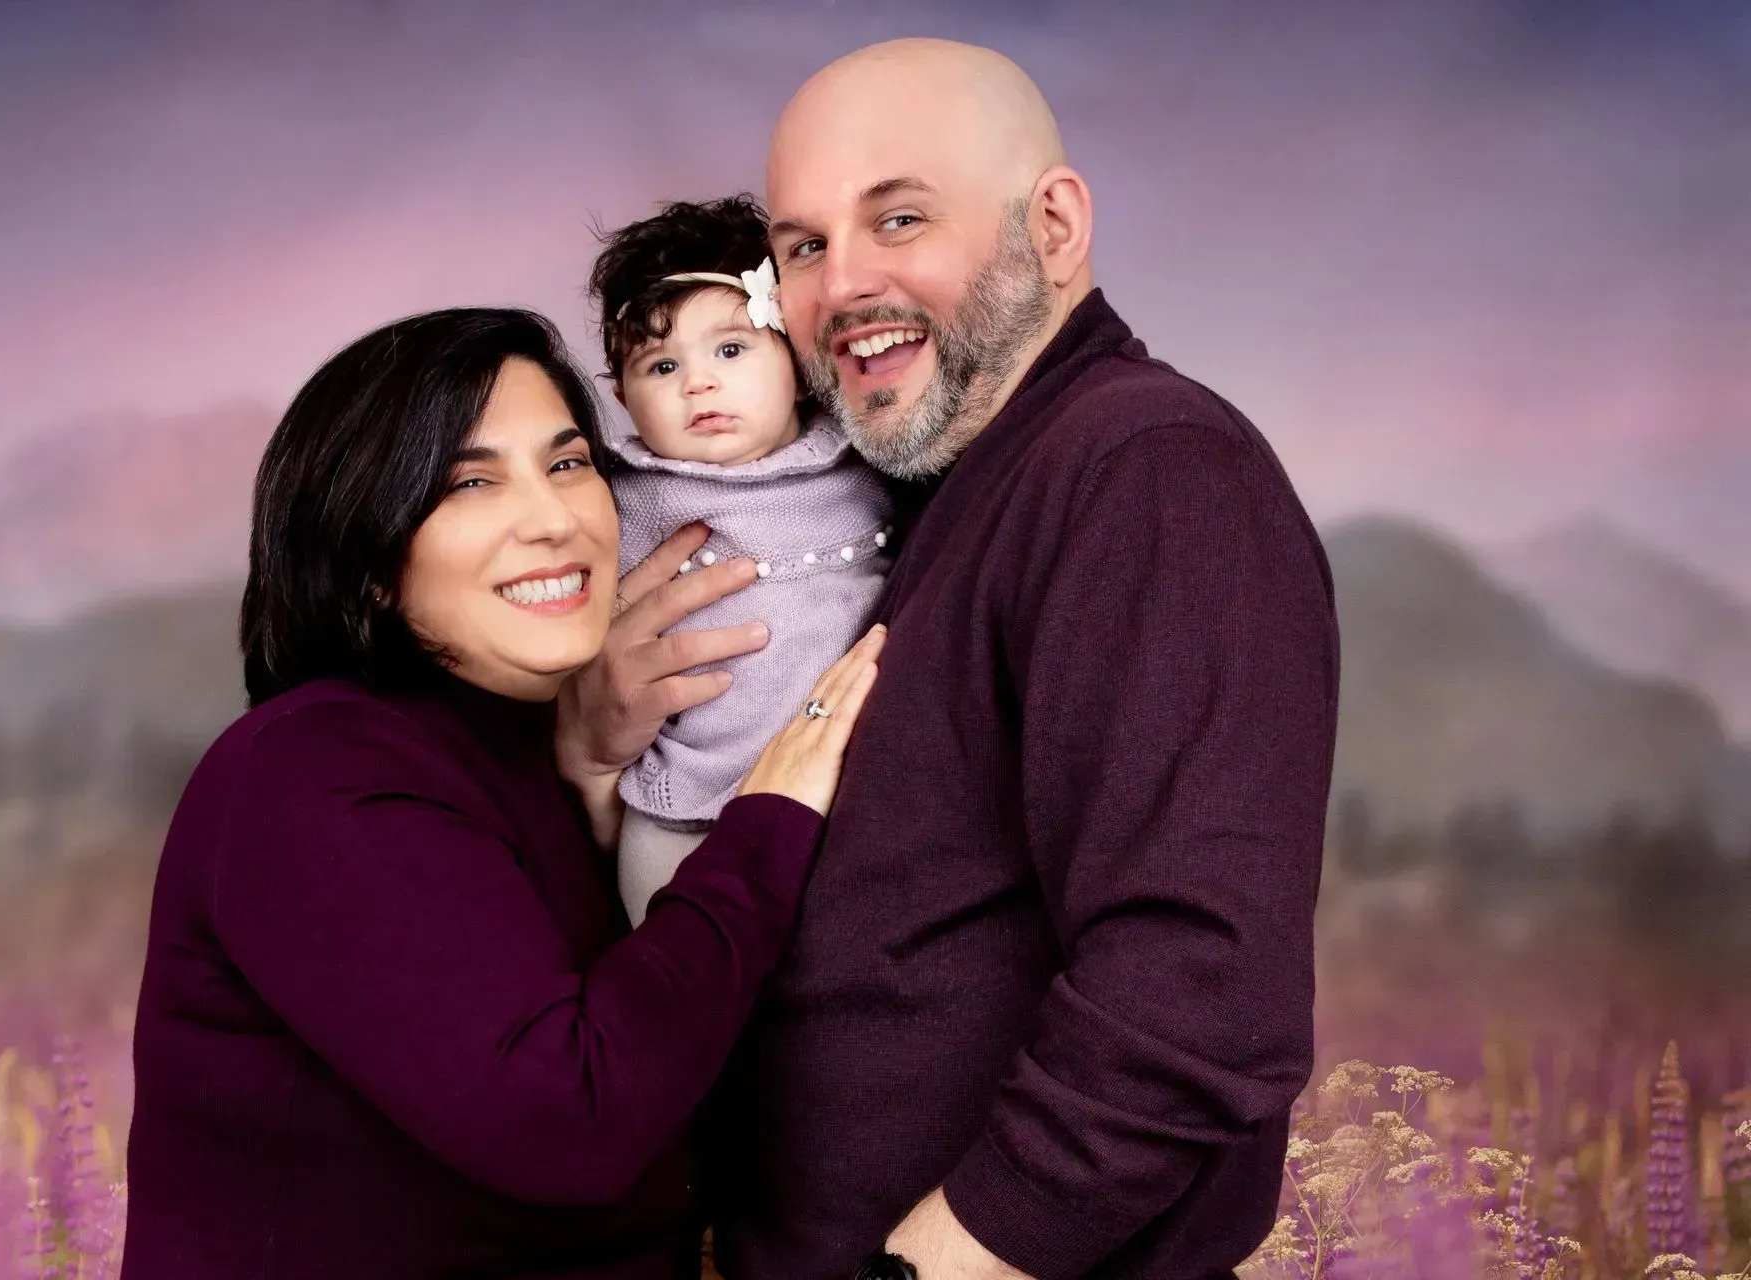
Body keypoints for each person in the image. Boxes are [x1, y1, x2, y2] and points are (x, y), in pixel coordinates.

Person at [555, 37, 1341, 1280]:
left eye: (901, 217)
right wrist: (599, 742)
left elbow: (1195, 993)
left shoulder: (1151, 470)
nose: (844, 285)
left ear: (1057, 224)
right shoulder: (919, 485)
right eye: (804, 247)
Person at [120, 306, 884, 1279]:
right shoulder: (307, 770)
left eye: (569, 463)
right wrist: (766, 823)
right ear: (370, 565)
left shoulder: (546, 755)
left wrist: (598, 780)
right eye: (471, 482)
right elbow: (567, 1115)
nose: (552, 517)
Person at [585, 193, 894, 925]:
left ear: (793, 354)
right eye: (661, 366)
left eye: (730, 349)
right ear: (623, 397)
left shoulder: (868, 463)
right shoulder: (628, 501)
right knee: (681, 981)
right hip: (680, 815)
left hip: (839, 802)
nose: (699, 383)